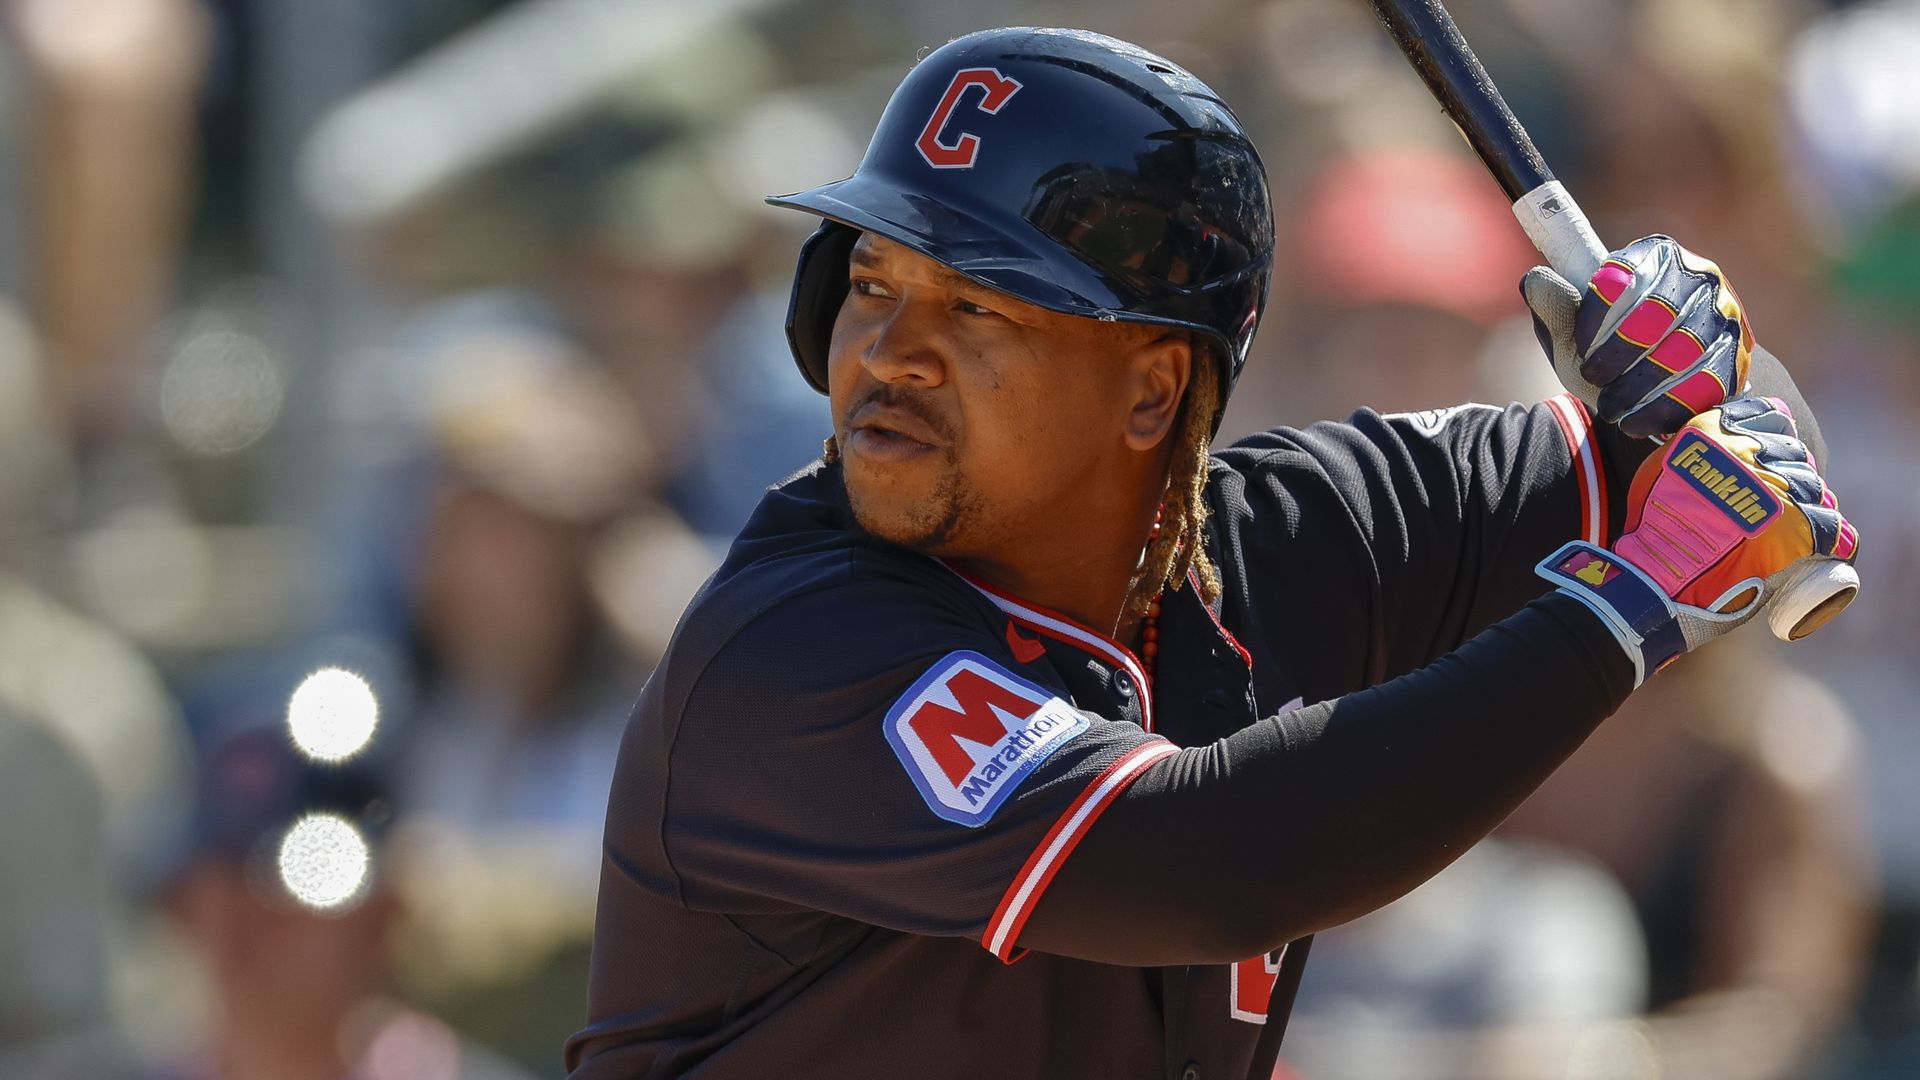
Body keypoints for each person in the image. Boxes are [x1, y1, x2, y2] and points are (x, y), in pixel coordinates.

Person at [566, 27, 1857, 1080]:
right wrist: (1620, 618)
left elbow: (1752, 461)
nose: (890, 353)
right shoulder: (793, 641)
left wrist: (1711, 368)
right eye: (874, 283)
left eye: (973, 305)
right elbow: (1215, 857)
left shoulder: (1291, 538)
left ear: (1152, 390)